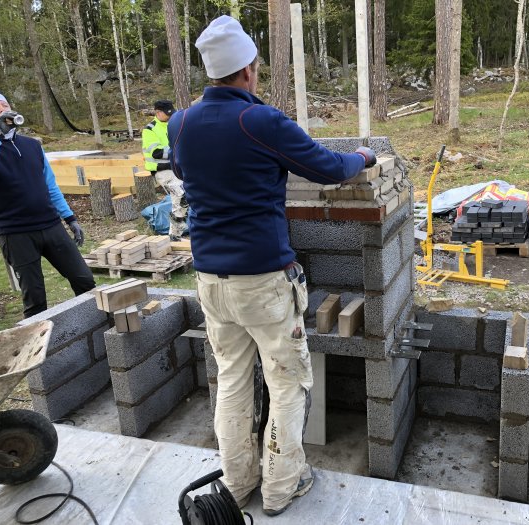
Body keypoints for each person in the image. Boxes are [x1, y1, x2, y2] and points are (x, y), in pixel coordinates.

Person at [168, 16, 376, 517]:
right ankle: (282, 488)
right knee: (286, 381)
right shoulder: (258, 121)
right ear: (249, 69)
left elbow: (182, 170)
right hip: (262, 281)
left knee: (233, 382)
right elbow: (327, 166)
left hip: (211, 282)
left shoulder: (182, 121)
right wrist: (364, 156)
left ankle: (238, 485)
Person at [0, 91, 95, 318]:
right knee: (35, 298)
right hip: (16, 233)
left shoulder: (32, 146)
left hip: (51, 226)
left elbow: (50, 186)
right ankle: (40, 349)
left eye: (5, 104)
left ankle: (92, 331)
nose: (3, 110)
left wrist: (70, 218)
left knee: (84, 280)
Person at [141, 99, 187, 240]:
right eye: (167, 114)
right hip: (162, 170)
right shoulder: (150, 130)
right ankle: (176, 229)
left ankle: (175, 234)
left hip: (176, 167)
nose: (170, 116)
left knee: (180, 199)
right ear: (158, 113)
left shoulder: (172, 124)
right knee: (180, 194)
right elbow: (156, 153)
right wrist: (178, 151)